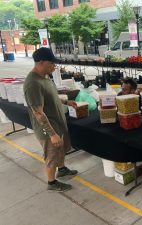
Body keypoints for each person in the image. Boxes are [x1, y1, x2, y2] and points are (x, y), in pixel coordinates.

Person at [23, 47, 78, 192]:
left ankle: (63, 169)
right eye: (52, 63)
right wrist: (52, 134)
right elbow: (38, 113)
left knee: (60, 150)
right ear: (41, 62)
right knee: (51, 156)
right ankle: (52, 183)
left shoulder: (45, 77)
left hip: (57, 122)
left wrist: (66, 102)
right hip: (48, 129)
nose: (55, 65)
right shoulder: (33, 83)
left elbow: (51, 97)